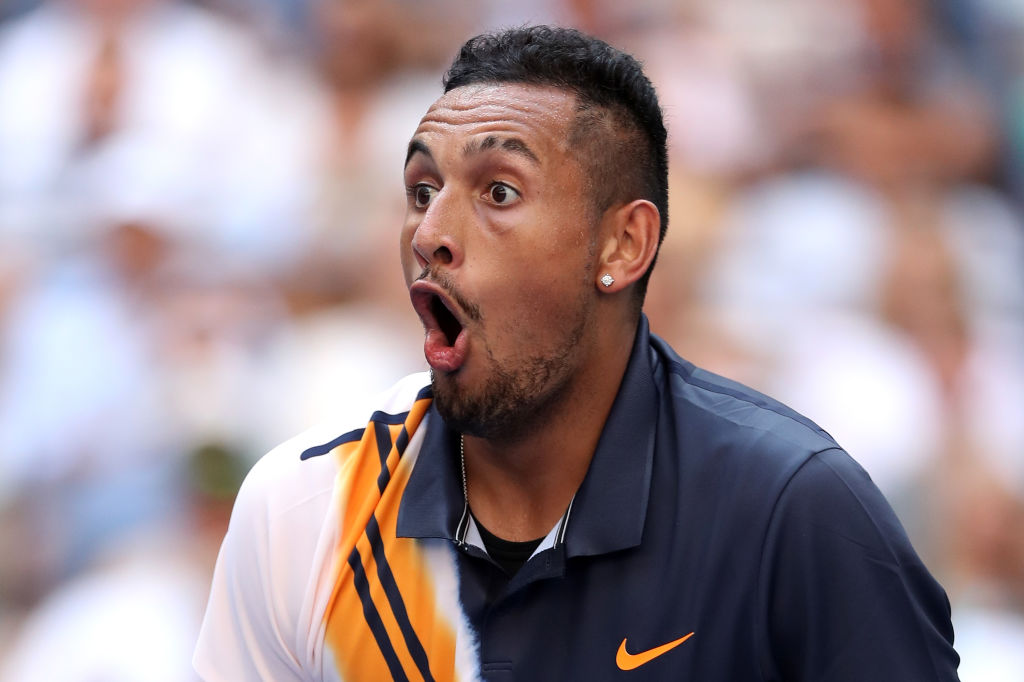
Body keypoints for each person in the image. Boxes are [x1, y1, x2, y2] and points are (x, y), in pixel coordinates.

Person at [194, 25, 960, 680]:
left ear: (624, 244)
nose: (429, 234)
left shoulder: (794, 511)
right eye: (422, 191)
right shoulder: (302, 513)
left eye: (498, 192)